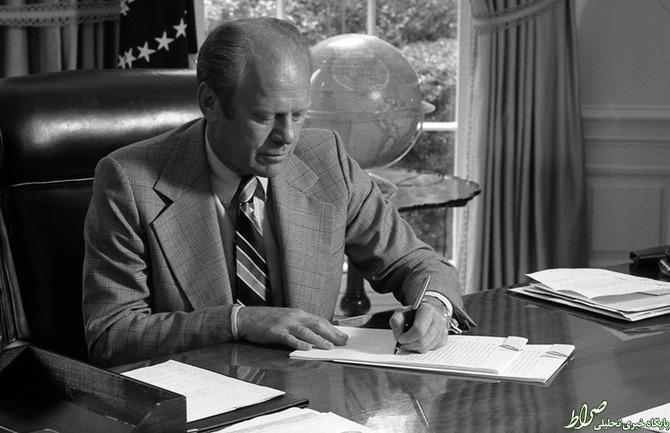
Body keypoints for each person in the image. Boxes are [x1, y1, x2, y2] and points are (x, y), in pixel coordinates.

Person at [82, 17, 473, 368]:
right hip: (198, 400)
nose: (287, 137)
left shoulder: (326, 158)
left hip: (313, 391)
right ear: (210, 103)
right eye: (264, 117)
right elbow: (111, 336)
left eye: (298, 115)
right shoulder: (129, 180)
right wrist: (239, 321)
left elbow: (414, 262)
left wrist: (435, 306)